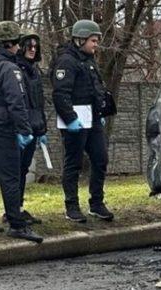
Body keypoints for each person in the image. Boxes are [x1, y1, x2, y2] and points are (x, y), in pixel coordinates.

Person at [53, 19, 114, 222]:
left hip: (92, 119)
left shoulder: (89, 61)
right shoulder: (67, 61)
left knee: (100, 159)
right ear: (80, 40)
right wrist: (70, 119)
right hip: (75, 120)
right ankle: (71, 206)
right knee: (74, 163)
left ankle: (96, 203)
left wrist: (99, 114)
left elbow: (95, 90)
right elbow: (61, 94)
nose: (96, 45)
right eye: (93, 41)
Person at [0, 20, 42, 243]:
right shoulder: (9, 69)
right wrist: (24, 130)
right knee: (11, 177)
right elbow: (16, 101)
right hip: (4, 129)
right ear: (10, 44)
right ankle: (16, 224)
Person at [11, 29, 47, 226]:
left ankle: (17, 208)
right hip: (19, 129)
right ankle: (12, 211)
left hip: (33, 128)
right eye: (29, 46)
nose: (32, 49)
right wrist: (20, 128)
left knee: (23, 169)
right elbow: (18, 103)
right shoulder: (15, 69)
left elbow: (38, 104)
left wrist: (42, 129)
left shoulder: (34, 71)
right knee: (13, 171)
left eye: (35, 46)